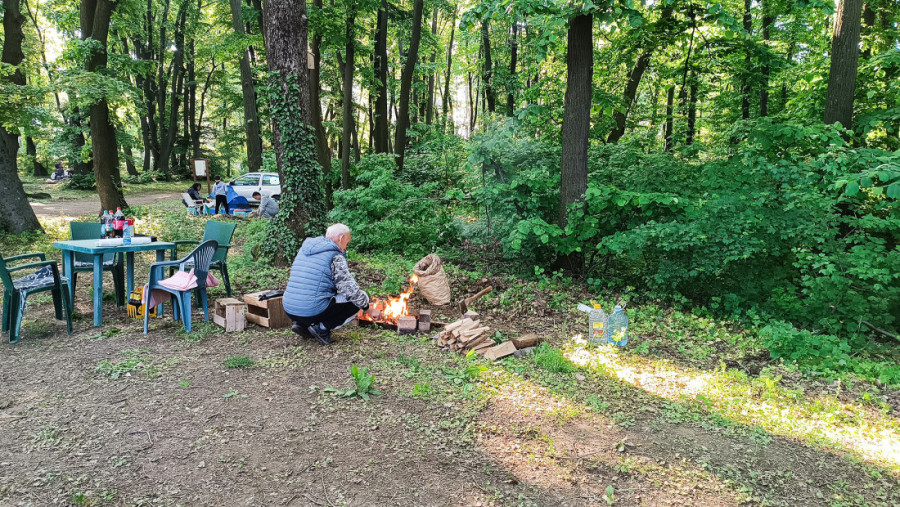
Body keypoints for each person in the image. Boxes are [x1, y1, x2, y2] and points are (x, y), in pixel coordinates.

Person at [282, 224, 370, 345]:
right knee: (359, 299)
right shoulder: (335, 255)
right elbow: (349, 289)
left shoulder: (304, 249)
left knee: (313, 293)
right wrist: (367, 307)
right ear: (341, 238)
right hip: (311, 310)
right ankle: (322, 328)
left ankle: (301, 324)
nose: (346, 247)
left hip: (289, 308)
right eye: (347, 243)